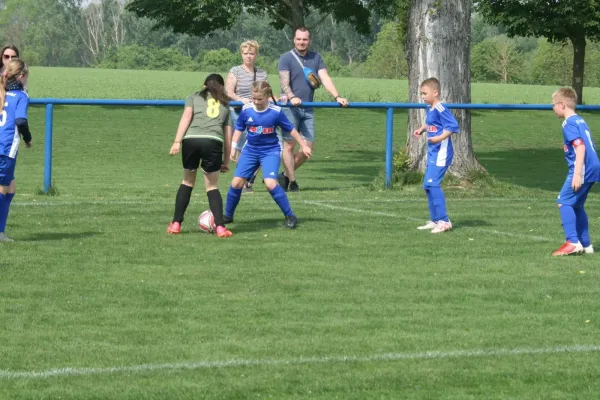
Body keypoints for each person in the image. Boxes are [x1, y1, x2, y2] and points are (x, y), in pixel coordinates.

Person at [223, 80, 311, 229]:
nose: (256, 102)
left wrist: (303, 146)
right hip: (250, 150)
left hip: (270, 151)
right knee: (236, 183)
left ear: (267, 96)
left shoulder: (276, 112)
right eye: (254, 98)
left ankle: (290, 215)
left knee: (270, 183)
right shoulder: (246, 110)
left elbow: (291, 129)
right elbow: (239, 128)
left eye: (259, 99)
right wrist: (233, 146)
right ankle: (227, 216)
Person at [277, 26, 348, 192]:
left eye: (305, 39)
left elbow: (324, 77)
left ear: (310, 40)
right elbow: (284, 83)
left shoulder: (316, 57)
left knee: (308, 148)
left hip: (308, 108)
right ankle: (292, 181)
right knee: (289, 146)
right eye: (299, 39)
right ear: (294, 40)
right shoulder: (286, 58)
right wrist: (292, 96)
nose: (302, 42)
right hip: (290, 108)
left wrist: (337, 97)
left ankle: (285, 176)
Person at [167, 73, 233, 238]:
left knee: (187, 181)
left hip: (191, 140)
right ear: (221, 88)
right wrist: (225, 161)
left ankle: (176, 224)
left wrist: (177, 141)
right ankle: (220, 228)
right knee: (212, 186)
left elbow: (187, 117)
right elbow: (228, 137)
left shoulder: (193, 97)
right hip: (213, 141)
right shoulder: (225, 104)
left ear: (204, 86)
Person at [550, 87, 600, 256]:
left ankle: (572, 242)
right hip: (594, 167)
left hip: (583, 168)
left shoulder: (568, 123)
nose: (552, 108)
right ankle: (586, 245)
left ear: (562, 104)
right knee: (576, 204)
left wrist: (577, 173)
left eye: (554, 105)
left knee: (563, 201)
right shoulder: (580, 120)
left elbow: (580, 146)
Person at [413, 77, 459, 234]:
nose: (423, 96)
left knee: (433, 184)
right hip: (433, 152)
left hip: (442, 153)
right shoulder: (430, 108)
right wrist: (422, 129)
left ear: (435, 93)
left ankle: (444, 221)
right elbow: (431, 123)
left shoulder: (441, 108)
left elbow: (453, 126)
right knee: (427, 186)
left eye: (425, 93)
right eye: (421, 94)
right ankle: (435, 220)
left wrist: (439, 138)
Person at [225, 40, 268, 193]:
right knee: (243, 147)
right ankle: (242, 181)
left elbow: (266, 92)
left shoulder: (262, 73)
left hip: (259, 113)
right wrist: (240, 99)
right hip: (240, 112)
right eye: (246, 53)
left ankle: (248, 179)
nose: (249, 56)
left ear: (256, 55)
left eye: (252, 53)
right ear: (241, 54)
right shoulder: (235, 71)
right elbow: (228, 91)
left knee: (263, 146)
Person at [0, 59, 32, 242]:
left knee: (10, 187)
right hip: (4, 150)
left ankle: (1, 232)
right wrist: (28, 139)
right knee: (3, 189)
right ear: (21, 76)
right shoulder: (21, 96)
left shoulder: (2, 92)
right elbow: (20, 121)